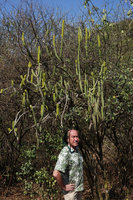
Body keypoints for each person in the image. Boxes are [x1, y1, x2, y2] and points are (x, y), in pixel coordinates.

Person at [53, 129, 84, 200]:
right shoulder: (65, 152)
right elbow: (56, 173)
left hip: (78, 190)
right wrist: (64, 187)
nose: (76, 139)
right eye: (73, 137)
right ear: (67, 139)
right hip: (71, 193)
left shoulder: (77, 150)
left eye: (77, 137)